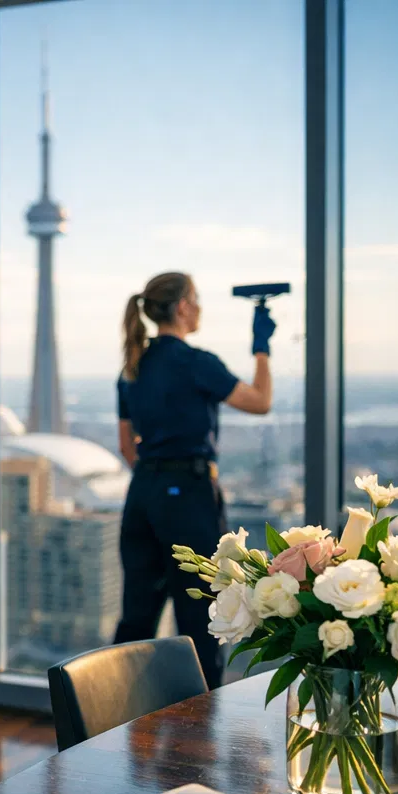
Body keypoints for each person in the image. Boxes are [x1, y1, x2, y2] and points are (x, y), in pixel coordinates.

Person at [112, 271, 274, 689]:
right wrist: (261, 348)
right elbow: (260, 402)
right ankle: (199, 733)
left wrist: (156, 478)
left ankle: (111, 723)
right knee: (200, 618)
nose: (200, 307)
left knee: (136, 618)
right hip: (189, 498)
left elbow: (127, 447)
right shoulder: (195, 362)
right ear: (182, 307)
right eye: (197, 299)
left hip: (143, 494)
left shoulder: (132, 366)